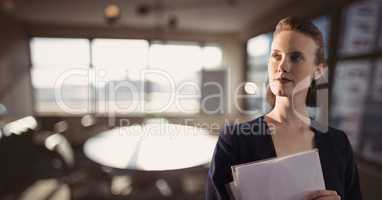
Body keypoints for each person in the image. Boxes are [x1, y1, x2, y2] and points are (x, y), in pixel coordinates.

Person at [206, 17, 362, 200]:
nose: (282, 66)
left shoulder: (338, 144)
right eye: (276, 55)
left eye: (295, 57)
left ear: (318, 71)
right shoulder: (235, 142)